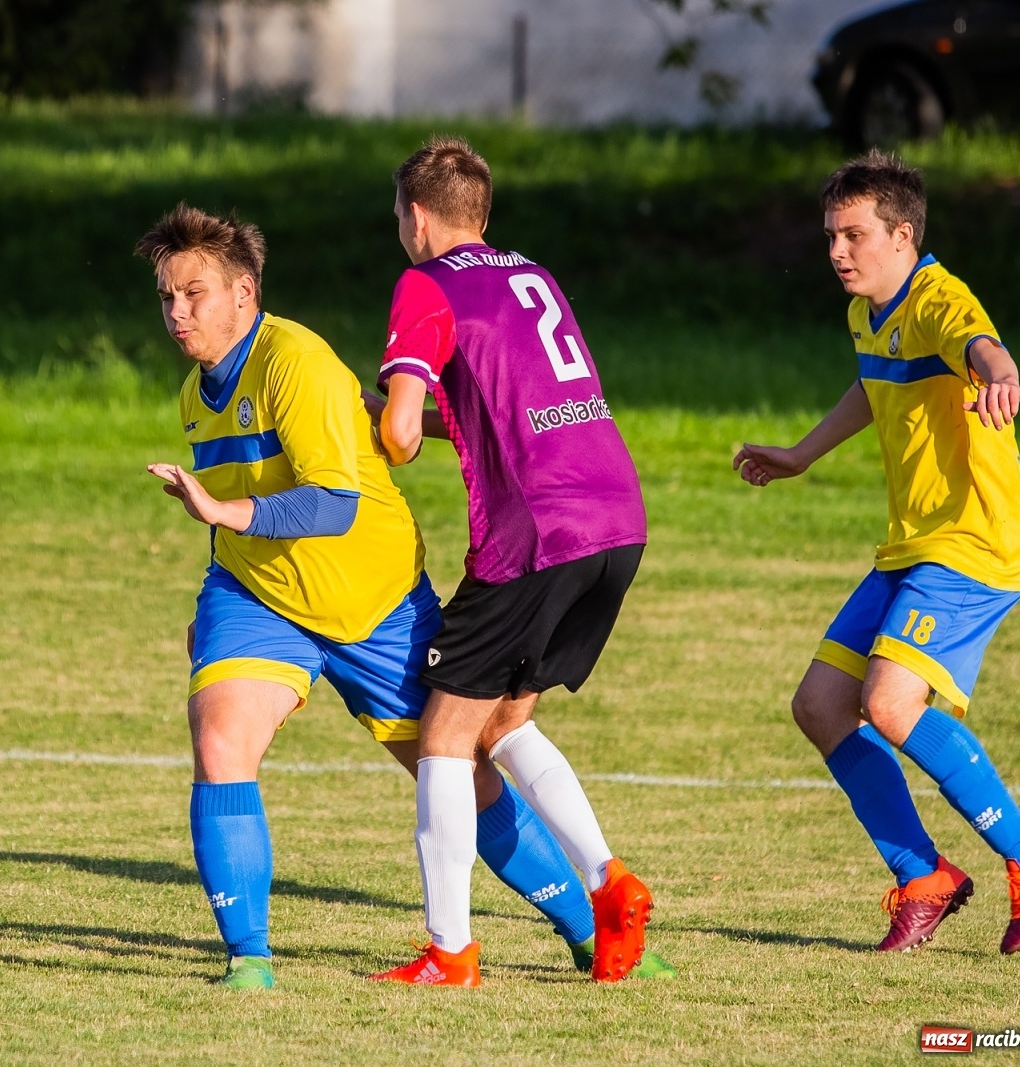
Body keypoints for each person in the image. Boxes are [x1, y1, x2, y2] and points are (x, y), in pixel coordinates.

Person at [136, 203, 651, 990]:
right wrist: (215, 608)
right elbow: (243, 498)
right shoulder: (195, 392)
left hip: (374, 601)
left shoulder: (295, 362)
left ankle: (590, 928)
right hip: (259, 596)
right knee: (220, 739)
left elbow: (331, 504)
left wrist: (221, 511)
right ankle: (249, 960)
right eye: (167, 296)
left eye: (193, 293)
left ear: (244, 292)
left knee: (463, 767)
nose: (177, 311)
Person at [734, 150, 1020, 955]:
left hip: (974, 542)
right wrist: (801, 454)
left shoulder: (937, 297)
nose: (836, 251)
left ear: (902, 236)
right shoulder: (869, 311)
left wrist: (1001, 372)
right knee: (820, 705)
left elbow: (980, 344)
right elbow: (873, 382)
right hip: (913, 545)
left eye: (853, 235)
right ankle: (922, 876)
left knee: (889, 704)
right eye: (830, 235)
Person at [366, 138, 660, 986]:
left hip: (536, 532)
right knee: (504, 723)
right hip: (617, 519)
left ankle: (449, 951)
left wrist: (373, 416)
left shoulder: (426, 283)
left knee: (445, 736)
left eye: (399, 216)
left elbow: (399, 435)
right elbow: (501, 401)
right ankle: (608, 881)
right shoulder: (533, 273)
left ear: (418, 217)